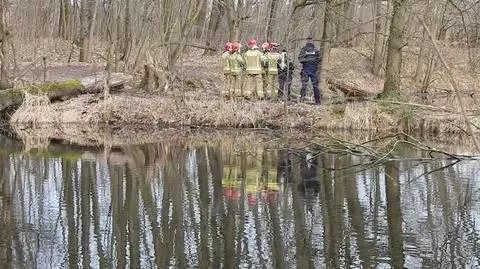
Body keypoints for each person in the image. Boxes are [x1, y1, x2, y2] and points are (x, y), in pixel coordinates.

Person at [298, 37, 322, 104]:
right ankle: (318, 102)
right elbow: (300, 59)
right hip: (310, 69)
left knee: (306, 85)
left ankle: (302, 101)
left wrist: (307, 61)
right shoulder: (308, 49)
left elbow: (319, 59)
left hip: (309, 69)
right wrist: (311, 61)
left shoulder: (313, 50)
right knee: (311, 85)